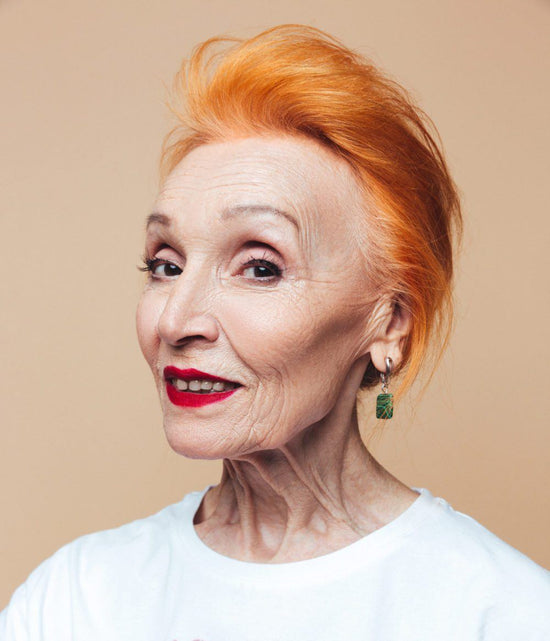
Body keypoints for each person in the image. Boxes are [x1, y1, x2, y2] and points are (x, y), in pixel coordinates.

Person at [1, 24, 548, 641]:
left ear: (389, 320)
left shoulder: (505, 613)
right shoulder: (75, 602)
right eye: (166, 265)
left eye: (260, 267)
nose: (177, 321)